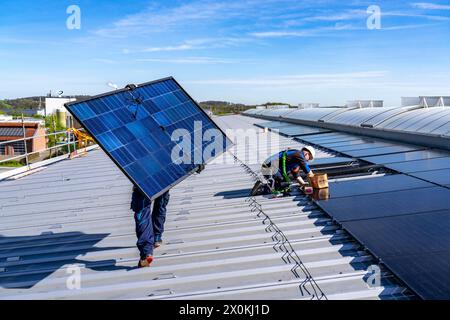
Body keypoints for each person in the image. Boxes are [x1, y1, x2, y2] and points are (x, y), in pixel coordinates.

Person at [130, 186, 170, 268]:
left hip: (142, 180)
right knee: (161, 203)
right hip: (164, 177)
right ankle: (157, 238)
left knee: (142, 211)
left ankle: (146, 252)